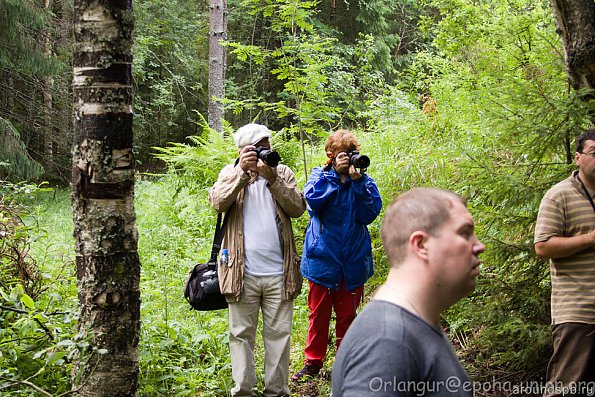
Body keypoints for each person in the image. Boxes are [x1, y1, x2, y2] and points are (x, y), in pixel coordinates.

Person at [332, 187, 485, 396]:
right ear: (421, 245)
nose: (479, 246)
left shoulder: (407, 327)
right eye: (465, 233)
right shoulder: (386, 341)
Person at [208, 123, 306, 397]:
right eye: (260, 146)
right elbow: (217, 202)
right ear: (243, 150)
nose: (266, 151)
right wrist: (242, 173)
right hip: (241, 273)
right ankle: (243, 391)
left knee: (279, 337)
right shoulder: (230, 172)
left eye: (268, 146)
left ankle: (276, 392)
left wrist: (271, 178)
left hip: (280, 273)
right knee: (241, 336)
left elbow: (297, 207)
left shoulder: (282, 172)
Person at [292, 129, 382, 381]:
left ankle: (346, 364)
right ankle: (313, 362)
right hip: (323, 259)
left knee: (347, 316)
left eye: (353, 154)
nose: (350, 159)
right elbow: (312, 201)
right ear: (331, 156)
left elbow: (369, 214)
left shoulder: (364, 182)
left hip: (353, 261)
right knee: (318, 314)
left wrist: (357, 183)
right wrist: (336, 178)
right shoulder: (319, 176)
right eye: (344, 154)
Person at [534, 129, 595, 397]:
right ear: (578, 158)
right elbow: (543, 246)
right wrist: (591, 238)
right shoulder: (558, 195)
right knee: (567, 389)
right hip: (578, 311)